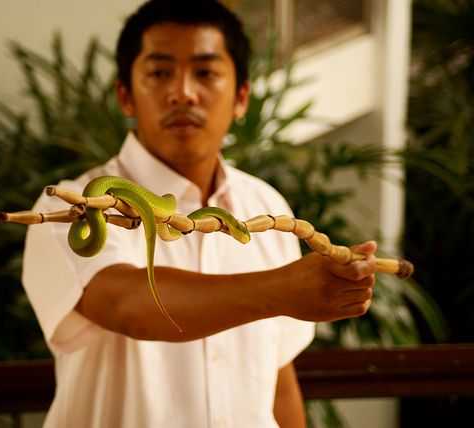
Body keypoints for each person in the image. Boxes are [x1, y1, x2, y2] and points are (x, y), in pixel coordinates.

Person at [22, 1, 377, 427]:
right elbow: (128, 305)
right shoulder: (72, 206)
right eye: (159, 73)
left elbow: (278, 380)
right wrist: (283, 288)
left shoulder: (267, 207)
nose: (183, 92)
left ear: (241, 97)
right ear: (125, 95)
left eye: (206, 73)